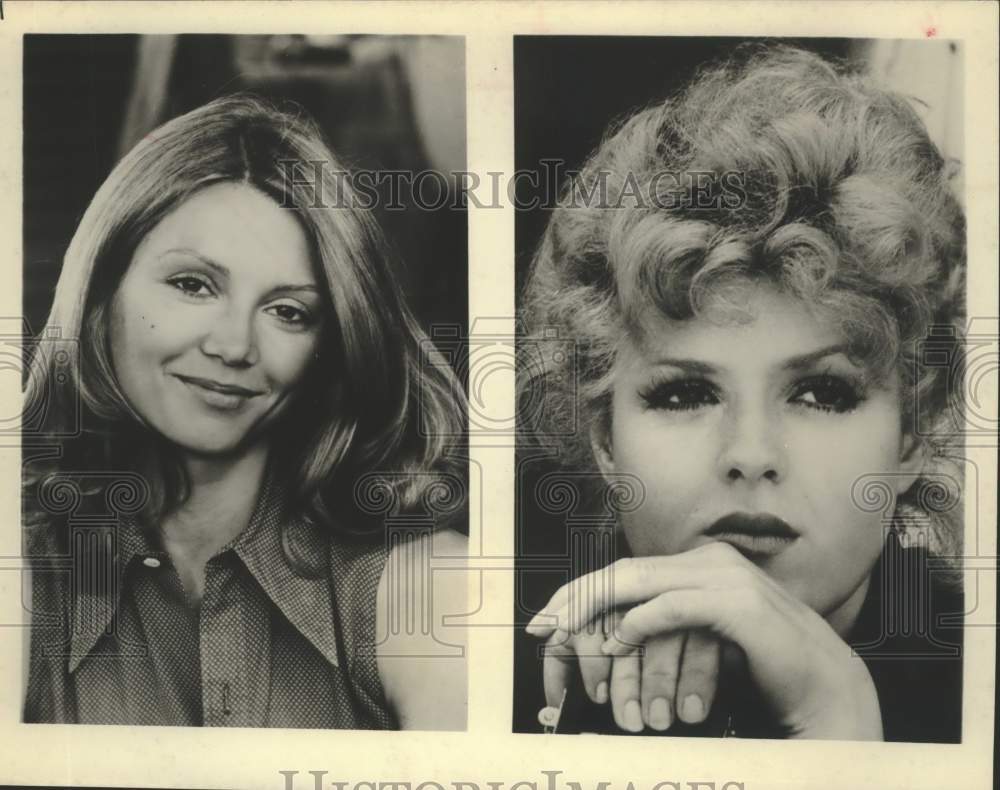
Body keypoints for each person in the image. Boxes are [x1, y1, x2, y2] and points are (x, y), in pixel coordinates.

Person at [520, 45, 965, 742]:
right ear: (604, 436)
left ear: (912, 434)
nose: (751, 455)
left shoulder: (977, 693)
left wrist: (839, 719)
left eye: (822, 393)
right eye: (683, 394)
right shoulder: (510, 680)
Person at [22, 94, 468, 729]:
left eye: (288, 312)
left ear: (330, 345)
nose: (234, 346)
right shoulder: (27, 570)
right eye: (192, 285)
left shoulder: (426, 587)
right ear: (101, 295)